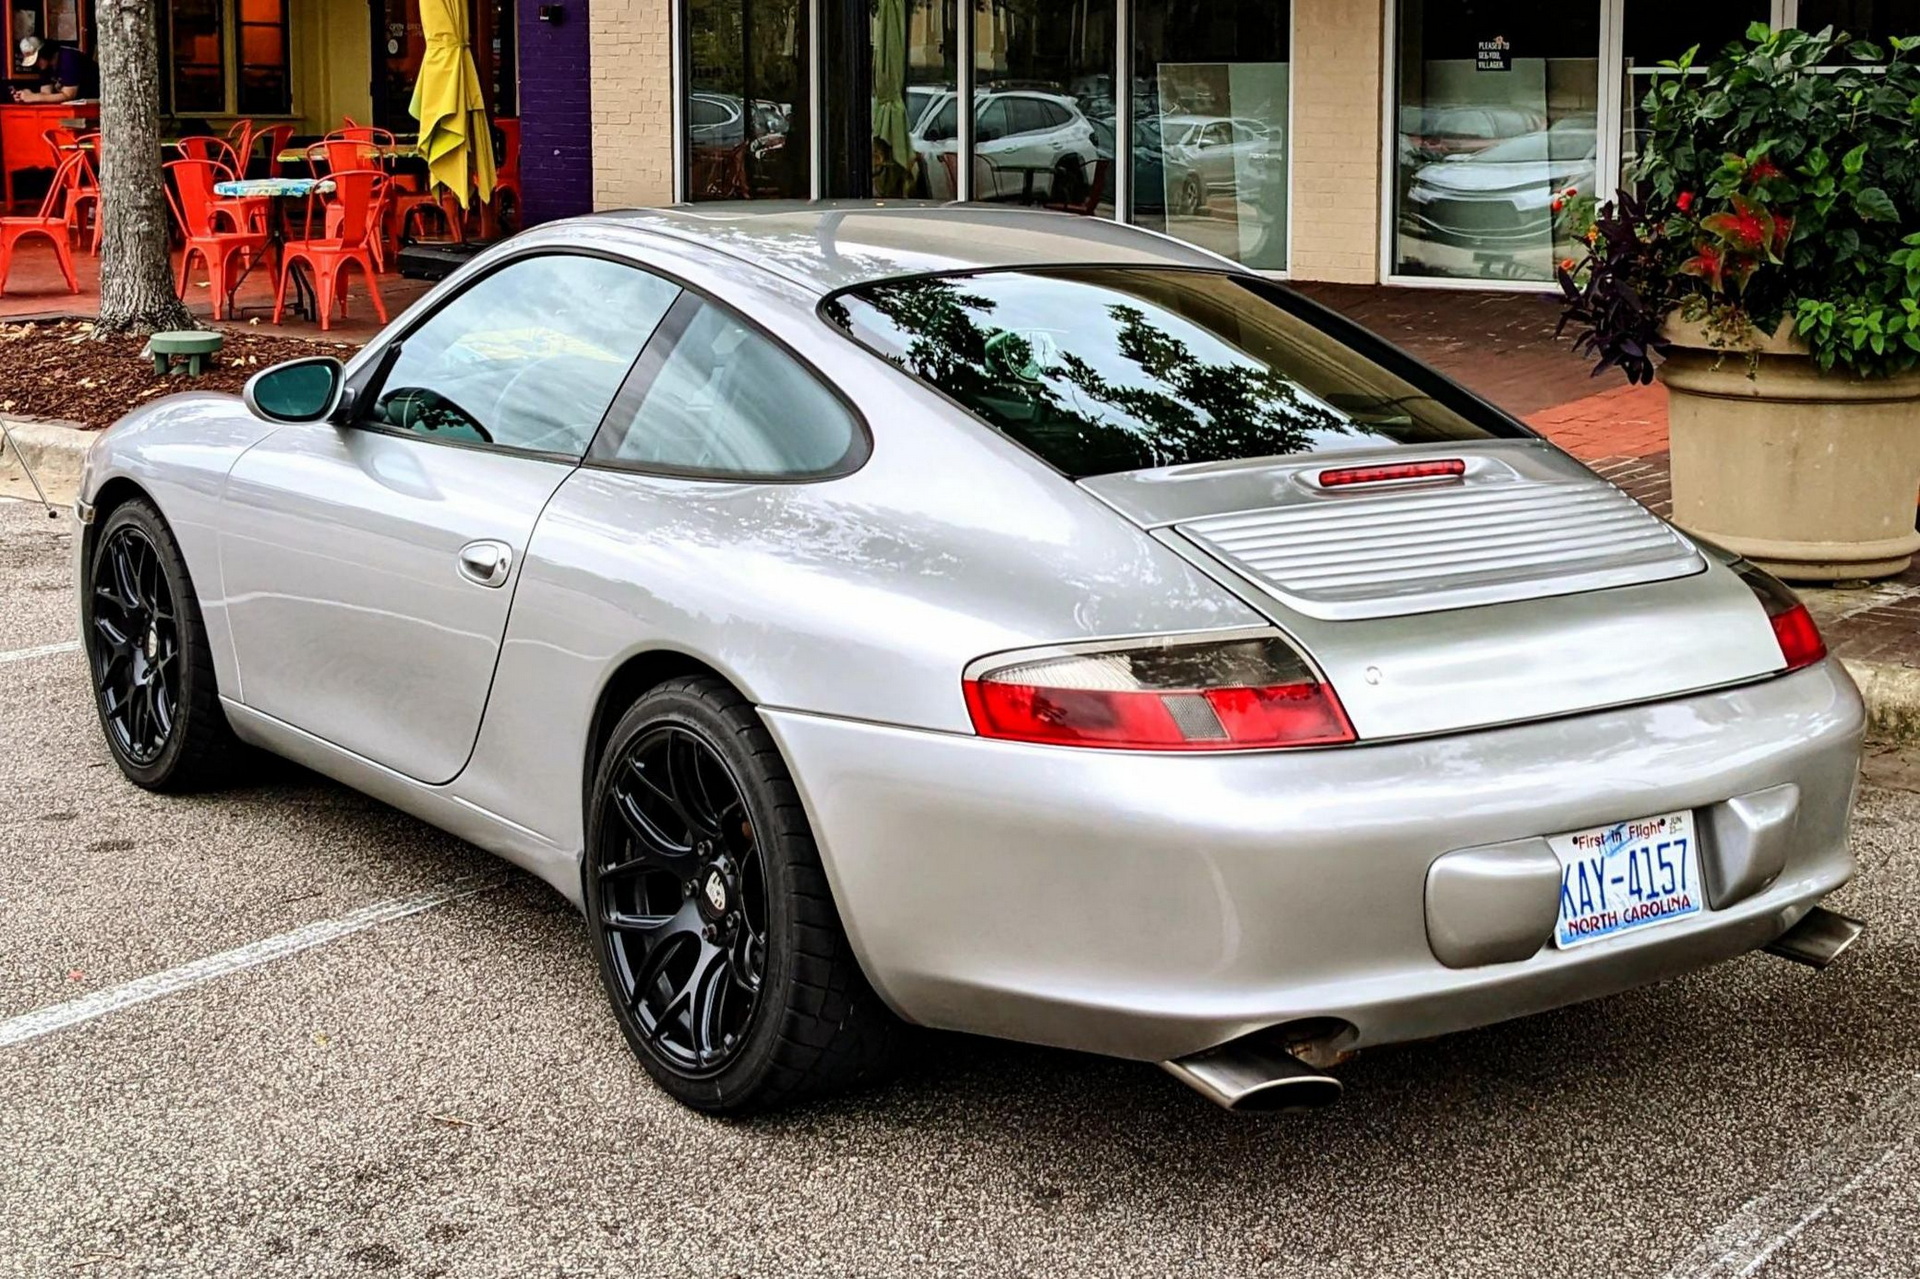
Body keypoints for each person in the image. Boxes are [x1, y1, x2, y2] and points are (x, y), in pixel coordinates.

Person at [11, 36, 94, 104]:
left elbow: (68, 95)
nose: (35, 64)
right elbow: (46, 94)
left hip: (91, 101)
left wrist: (33, 97)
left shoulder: (68, 58)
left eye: (36, 60)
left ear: (44, 52)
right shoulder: (45, 66)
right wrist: (27, 95)